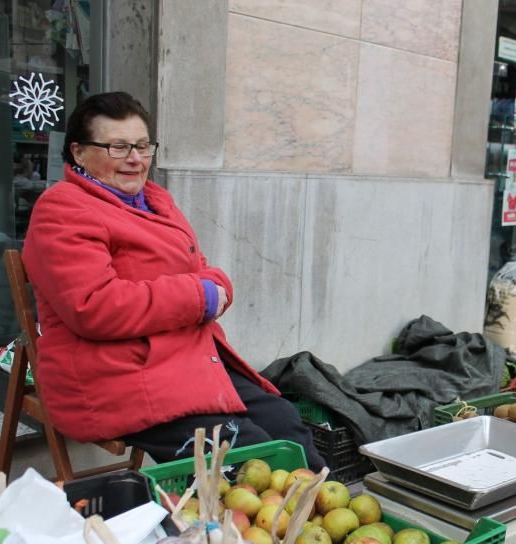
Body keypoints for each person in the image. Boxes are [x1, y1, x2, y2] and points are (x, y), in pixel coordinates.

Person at [23, 92, 324, 468]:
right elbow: (95, 305)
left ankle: (319, 517)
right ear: (79, 153)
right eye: (117, 147)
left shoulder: (155, 200)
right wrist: (199, 296)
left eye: (142, 145)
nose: (135, 158)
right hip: (119, 374)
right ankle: (264, 524)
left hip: (186, 359)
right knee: (252, 455)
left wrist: (211, 287)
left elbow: (200, 267)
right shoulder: (63, 208)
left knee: (285, 424)